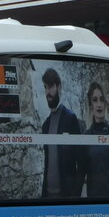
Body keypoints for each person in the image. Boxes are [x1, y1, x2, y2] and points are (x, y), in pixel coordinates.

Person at [40, 67, 84, 197]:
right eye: (46, 87)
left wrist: (76, 194)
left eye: (51, 86)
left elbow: (81, 160)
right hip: (48, 195)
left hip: (66, 196)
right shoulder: (45, 125)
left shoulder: (70, 118)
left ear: (59, 87)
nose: (48, 92)